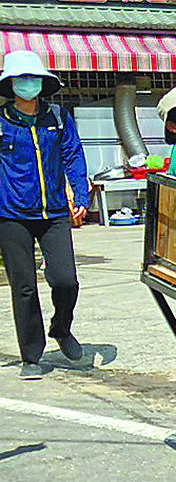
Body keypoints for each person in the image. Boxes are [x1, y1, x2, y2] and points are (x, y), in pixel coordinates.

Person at [0, 50, 88, 379]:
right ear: (11, 83)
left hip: (53, 213)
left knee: (66, 281)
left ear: (42, 82)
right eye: (22, 79)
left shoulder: (59, 118)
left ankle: (61, 328)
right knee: (23, 287)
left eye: (33, 78)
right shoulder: (1, 121)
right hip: (10, 215)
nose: (28, 84)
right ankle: (31, 356)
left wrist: (80, 193)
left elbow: (74, 157)